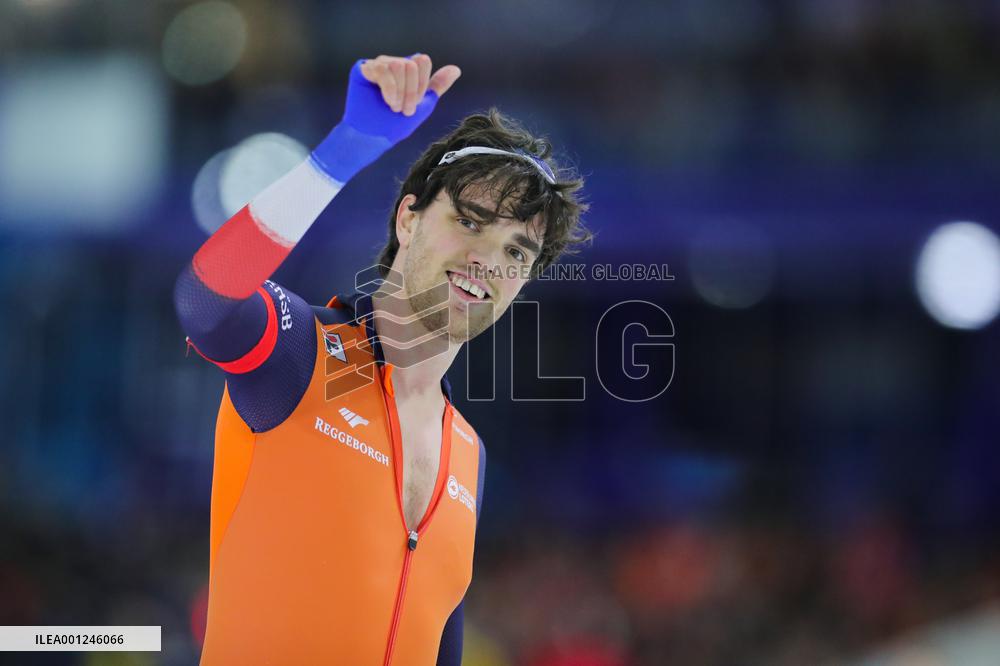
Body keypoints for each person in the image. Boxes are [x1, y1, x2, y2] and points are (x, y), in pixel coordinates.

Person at [174, 53, 589, 664]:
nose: (487, 260)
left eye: (516, 252)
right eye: (470, 222)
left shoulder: (468, 453)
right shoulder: (302, 355)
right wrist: (343, 151)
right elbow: (205, 301)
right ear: (408, 219)